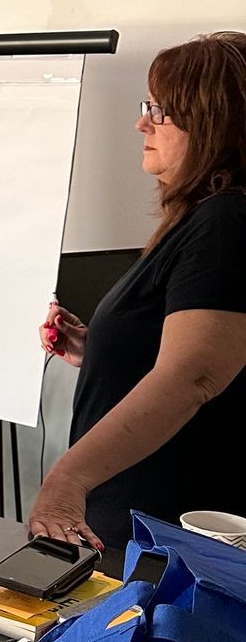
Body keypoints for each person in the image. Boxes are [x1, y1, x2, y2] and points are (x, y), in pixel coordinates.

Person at [32, 32, 246, 551]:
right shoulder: (202, 219)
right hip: (140, 527)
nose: (142, 122)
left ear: (215, 123)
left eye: (163, 111)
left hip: (164, 539)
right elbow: (191, 354)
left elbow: (193, 376)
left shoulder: (227, 221)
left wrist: (67, 480)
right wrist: (98, 349)